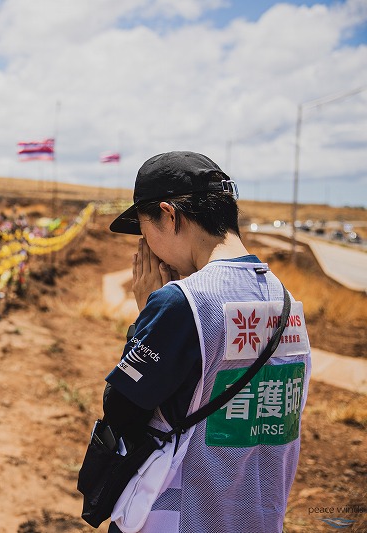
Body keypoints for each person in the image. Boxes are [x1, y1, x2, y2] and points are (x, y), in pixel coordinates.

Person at [102, 151, 312, 533]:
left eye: (143, 229)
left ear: (169, 214)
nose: (145, 245)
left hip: (179, 517)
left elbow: (121, 409)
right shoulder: (286, 301)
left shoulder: (182, 301)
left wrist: (146, 315)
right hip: (259, 519)